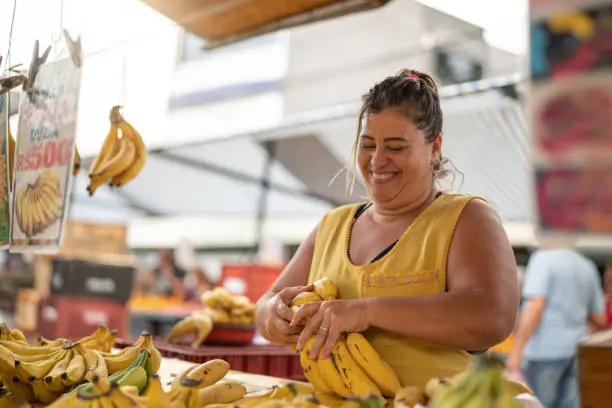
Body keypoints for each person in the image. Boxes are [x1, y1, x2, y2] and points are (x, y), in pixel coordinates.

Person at [253, 69, 519, 388]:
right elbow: (265, 304)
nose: (377, 160)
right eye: (368, 145)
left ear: (434, 148)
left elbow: (491, 317)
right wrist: (273, 316)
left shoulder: (466, 217)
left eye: (395, 147)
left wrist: (367, 311)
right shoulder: (331, 226)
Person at [506, 247, 606, 408]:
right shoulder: (586, 264)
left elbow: (536, 306)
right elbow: (598, 317)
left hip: (544, 352)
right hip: (577, 351)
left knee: (541, 404)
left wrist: (516, 353)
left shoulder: (543, 259)